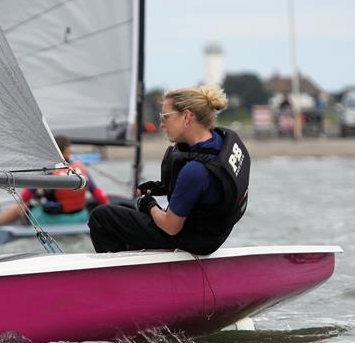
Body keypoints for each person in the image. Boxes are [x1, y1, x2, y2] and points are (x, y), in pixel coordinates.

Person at [88, 85, 250, 255]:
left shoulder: (195, 171)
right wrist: (162, 188)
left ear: (187, 117)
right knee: (124, 207)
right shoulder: (219, 140)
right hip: (214, 233)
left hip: (195, 240)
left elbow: (171, 227)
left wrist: (149, 204)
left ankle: (121, 274)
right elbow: (206, 190)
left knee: (102, 216)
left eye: (165, 117)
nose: (162, 124)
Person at [0, 135, 109, 228]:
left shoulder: (48, 171)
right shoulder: (81, 169)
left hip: (53, 220)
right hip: (80, 216)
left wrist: (25, 206)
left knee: (19, 207)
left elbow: (25, 197)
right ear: (67, 151)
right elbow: (98, 194)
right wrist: (109, 209)